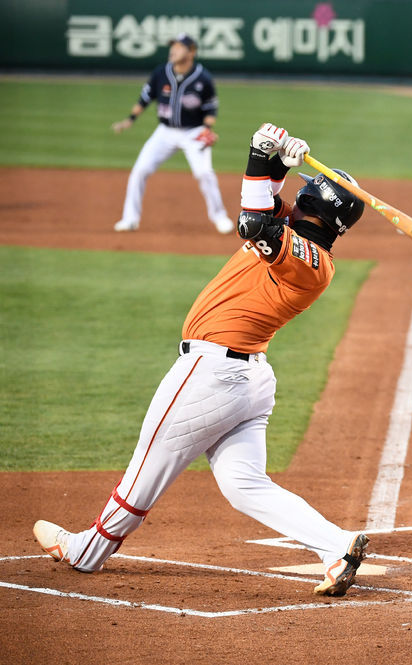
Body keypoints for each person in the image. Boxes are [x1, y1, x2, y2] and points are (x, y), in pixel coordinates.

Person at [32, 123, 370, 598]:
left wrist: (260, 152)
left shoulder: (309, 262)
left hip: (213, 375)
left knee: (146, 467)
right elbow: (265, 206)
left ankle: (87, 551)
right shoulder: (300, 241)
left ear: (314, 207)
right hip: (247, 381)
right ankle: (336, 547)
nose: (294, 197)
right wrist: (272, 158)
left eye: (304, 192)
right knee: (244, 484)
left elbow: (254, 221)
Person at [111, 33, 234, 234]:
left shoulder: (203, 78)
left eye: (179, 47)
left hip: (193, 132)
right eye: (172, 46)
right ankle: (130, 219)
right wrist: (129, 120)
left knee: (204, 173)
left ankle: (220, 217)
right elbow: (145, 98)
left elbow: (211, 109)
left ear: (192, 52)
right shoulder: (161, 72)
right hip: (165, 132)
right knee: (139, 171)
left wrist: (207, 129)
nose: (173, 50)